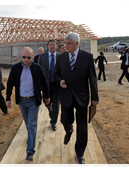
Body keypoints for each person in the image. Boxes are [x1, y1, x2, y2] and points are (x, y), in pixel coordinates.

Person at [54, 33, 99, 165]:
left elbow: (93, 79)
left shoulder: (87, 57)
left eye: (68, 43)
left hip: (82, 97)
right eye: (65, 43)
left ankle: (80, 152)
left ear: (77, 44)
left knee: (82, 127)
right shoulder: (61, 57)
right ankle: (68, 130)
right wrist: (60, 81)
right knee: (64, 120)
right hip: (66, 96)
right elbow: (56, 74)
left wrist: (95, 98)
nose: (65, 46)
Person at [6, 47, 50, 161]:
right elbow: (10, 83)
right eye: (24, 57)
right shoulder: (15, 68)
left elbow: (44, 83)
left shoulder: (37, 68)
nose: (26, 59)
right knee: (28, 124)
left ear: (32, 57)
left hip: (33, 101)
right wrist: (8, 98)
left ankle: (30, 151)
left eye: (28, 57)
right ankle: (31, 137)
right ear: (21, 56)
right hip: (21, 101)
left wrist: (47, 96)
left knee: (31, 124)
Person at [38, 39, 60, 131]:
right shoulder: (42, 56)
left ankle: (53, 121)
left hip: (57, 84)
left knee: (56, 104)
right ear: (48, 46)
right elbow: (38, 70)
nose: (52, 46)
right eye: (50, 45)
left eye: (54, 45)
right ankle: (50, 110)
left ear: (56, 46)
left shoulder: (61, 56)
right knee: (46, 102)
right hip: (46, 85)